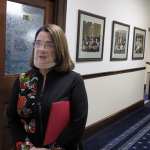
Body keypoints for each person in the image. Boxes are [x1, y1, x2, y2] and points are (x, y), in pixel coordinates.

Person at [7, 24, 88, 150]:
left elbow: (78, 123)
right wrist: (28, 147)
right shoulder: (23, 79)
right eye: (38, 43)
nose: (41, 49)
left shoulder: (74, 80)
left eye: (49, 45)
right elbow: (12, 119)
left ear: (59, 49)